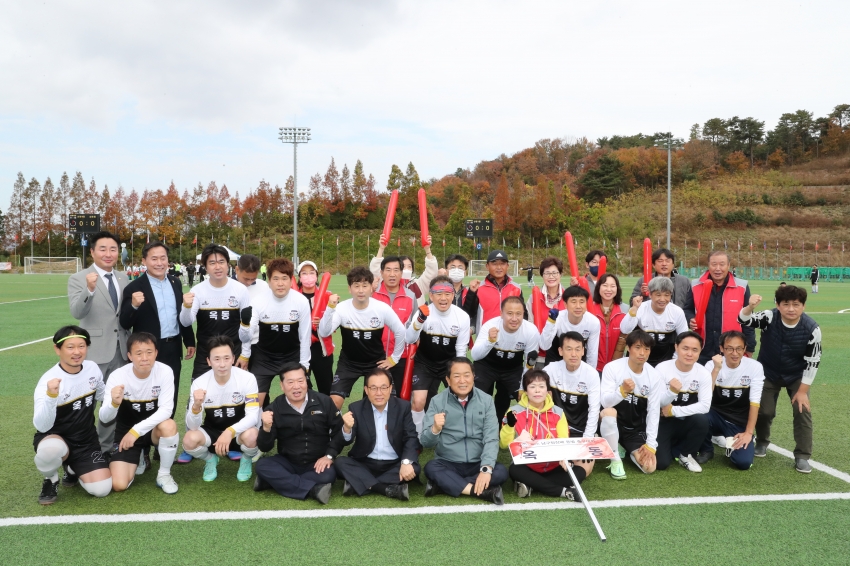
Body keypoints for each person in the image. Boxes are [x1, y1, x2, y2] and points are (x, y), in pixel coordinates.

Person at [739, 285, 822, 473]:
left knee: (802, 410)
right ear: (778, 305)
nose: (791, 309)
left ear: (803, 306)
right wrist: (750, 307)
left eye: (796, 304)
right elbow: (743, 320)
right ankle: (762, 442)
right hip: (768, 372)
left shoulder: (812, 329)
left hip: (796, 375)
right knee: (764, 411)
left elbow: (813, 362)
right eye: (786, 304)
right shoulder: (769, 316)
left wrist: (802, 391)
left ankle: (802, 456)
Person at [33, 326, 112, 505]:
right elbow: (42, 425)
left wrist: (114, 397)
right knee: (50, 452)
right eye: (70, 347)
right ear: (57, 349)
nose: (77, 352)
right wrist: (51, 397)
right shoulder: (48, 381)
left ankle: (71, 468)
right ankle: (51, 479)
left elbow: (102, 395)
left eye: (81, 346)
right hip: (55, 438)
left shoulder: (92, 368)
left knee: (102, 489)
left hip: (86, 440)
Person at [67, 230, 130, 453]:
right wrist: (89, 290)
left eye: (113, 249)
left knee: (113, 401)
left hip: (121, 351)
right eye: (102, 249)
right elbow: (77, 312)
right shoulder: (79, 278)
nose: (108, 253)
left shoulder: (123, 278)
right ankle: (80, 449)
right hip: (94, 352)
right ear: (92, 252)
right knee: (86, 403)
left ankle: (106, 447)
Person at [120, 241, 195, 421]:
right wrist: (133, 305)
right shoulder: (134, 287)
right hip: (147, 350)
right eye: (154, 259)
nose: (159, 263)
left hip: (172, 347)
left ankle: (165, 434)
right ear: (144, 261)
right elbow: (124, 322)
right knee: (147, 394)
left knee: (170, 393)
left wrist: (189, 340)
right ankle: (144, 435)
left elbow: (181, 314)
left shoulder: (175, 282)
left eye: (163, 258)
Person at [99, 332, 180, 494]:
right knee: (119, 485)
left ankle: (164, 474)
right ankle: (139, 455)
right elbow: (104, 418)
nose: (144, 358)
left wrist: (136, 431)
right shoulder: (117, 376)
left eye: (149, 352)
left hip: (152, 430)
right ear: (129, 356)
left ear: (156, 353)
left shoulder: (165, 371)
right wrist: (114, 404)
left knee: (169, 426)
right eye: (138, 353)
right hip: (126, 432)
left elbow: (166, 410)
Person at [421, 357, 509, 505]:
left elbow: (491, 438)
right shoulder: (437, 401)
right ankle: (478, 491)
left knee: (500, 471)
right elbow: (425, 442)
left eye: (467, 375)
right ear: (448, 380)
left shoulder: (486, 401)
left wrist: (486, 469)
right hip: (448, 462)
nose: (462, 381)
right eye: (456, 376)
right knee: (431, 468)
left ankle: (445, 485)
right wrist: (434, 429)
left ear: (473, 377)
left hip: (478, 462)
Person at [318, 267, 406, 410]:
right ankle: (339, 426)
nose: (360, 290)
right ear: (349, 288)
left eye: (365, 286)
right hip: (348, 363)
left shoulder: (381, 308)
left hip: (375, 363)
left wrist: (394, 358)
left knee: (386, 402)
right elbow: (324, 332)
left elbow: (400, 331)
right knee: (334, 403)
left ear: (371, 288)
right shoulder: (341, 308)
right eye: (356, 286)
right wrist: (330, 308)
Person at [254, 363, 343, 504]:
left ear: (306, 382)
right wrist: (266, 428)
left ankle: (272, 482)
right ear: (282, 385)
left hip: (317, 462)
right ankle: (313, 490)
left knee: (329, 475)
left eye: (300, 381)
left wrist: (329, 456)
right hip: (287, 461)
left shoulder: (324, 401)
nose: (296, 386)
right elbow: (265, 447)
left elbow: (340, 431)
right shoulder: (274, 408)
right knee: (262, 465)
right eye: (290, 382)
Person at [333, 368, 421, 501]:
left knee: (414, 468)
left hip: (394, 463)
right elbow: (346, 441)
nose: (379, 393)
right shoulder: (356, 408)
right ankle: (384, 488)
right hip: (365, 463)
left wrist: (406, 462)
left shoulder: (403, 407)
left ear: (390, 388)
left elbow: (411, 437)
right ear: (366, 390)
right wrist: (346, 428)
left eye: (383, 387)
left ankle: (359, 483)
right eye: (373, 388)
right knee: (340, 463)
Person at [181, 335, 260, 482]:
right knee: (189, 440)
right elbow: (193, 426)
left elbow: (253, 417)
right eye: (217, 359)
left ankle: (246, 459)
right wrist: (196, 406)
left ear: (233, 359)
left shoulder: (248, 378)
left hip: (239, 432)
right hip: (213, 432)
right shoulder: (199, 383)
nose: (222, 364)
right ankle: (210, 459)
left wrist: (230, 432)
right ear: (209, 361)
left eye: (226, 358)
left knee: (253, 436)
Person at [237, 258, 312, 408]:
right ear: (269, 281)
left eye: (284, 278)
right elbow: (246, 336)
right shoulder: (258, 301)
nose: (280, 283)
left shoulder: (301, 301)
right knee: (253, 403)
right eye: (276, 279)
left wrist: (304, 365)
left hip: (292, 356)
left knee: (301, 398)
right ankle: (256, 423)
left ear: (291, 280)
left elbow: (305, 337)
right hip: (264, 357)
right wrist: (244, 327)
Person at [500, 369, 583, 500]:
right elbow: (504, 445)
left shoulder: (558, 412)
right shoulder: (513, 412)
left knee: (579, 472)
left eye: (541, 386)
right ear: (526, 391)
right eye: (532, 386)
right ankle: (563, 491)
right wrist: (512, 432)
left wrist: (564, 458)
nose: (537, 391)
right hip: (526, 465)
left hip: (553, 466)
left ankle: (532, 485)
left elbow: (563, 441)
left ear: (547, 390)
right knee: (514, 470)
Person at [404, 276, 471, 432]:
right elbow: (409, 339)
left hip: (450, 364)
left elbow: (461, 349)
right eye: (438, 294)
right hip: (425, 363)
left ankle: (459, 433)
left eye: (447, 293)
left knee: (461, 399)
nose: (443, 298)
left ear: (453, 295)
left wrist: (460, 373)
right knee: (418, 402)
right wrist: (419, 321)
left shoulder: (462, 317)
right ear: (431, 295)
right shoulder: (423, 312)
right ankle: (418, 437)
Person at [180, 244, 252, 380]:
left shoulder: (241, 290)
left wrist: (245, 355)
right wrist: (186, 307)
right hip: (205, 354)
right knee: (199, 391)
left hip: (233, 353)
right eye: (212, 263)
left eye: (221, 262)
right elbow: (186, 322)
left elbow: (246, 330)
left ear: (228, 265)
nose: (217, 267)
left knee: (235, 392)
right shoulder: (197, 291)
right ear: (205, 267)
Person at [696, 330, 764, 470]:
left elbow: (755, 402)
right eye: (730, 348)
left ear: (745, 349)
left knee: (743, 463)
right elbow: (704, 396)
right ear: (721, 349)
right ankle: (706, 449)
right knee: (699, 414)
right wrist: (716, 369)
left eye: (739, 348)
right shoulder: (711, 365)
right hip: (714, 416)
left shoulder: (755, 367)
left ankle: (732, 443)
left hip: (738, 421)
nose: (735, 353)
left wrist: (748, 433)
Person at [599, 330, 664, 474]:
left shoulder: (654, 376)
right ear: (628, 348)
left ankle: (622, 445)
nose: (642, 353)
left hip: (633, 430)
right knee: (609, 412)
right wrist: (622, 391)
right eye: (638, 347)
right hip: (612, 421)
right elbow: (605, 402)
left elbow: (653, 411)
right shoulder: (612, 367)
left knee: (649, 468)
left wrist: (651, 445)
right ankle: (615, 459)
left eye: (646, 349)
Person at [471, 296, 540, 426]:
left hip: (512, 369)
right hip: (486, 366)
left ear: (523, 314)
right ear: (501, 314)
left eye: (518, 314)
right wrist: (490, 341)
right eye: (509, 313)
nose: (514, 318)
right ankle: (478, 427)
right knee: (478, 398)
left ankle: (499, 427)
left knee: (509, 401)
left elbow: (529, 363)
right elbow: (475, 356)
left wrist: (522, 387)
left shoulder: (531, 331)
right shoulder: (490, 325)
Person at [541, 332, 599, 481]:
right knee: (545, 461)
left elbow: (594, 409)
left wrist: (587, 439)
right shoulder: (550, 370)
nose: (574, 354)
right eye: (569, 349)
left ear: (583, 351)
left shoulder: (591, 374)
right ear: (560, 351)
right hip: (555, 430)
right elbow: (535, 397)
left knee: (583, 468)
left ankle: (542, 482)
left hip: (580, 431)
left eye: (578, 349)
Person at [654, 332, 712, 472]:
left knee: (702, 419)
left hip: (687, 419)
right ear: (676, 347)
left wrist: (674, 411)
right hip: (663, 421)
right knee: (661, 464)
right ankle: (672, 448)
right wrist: (672, 392)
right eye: (685, 348)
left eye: (695, 350)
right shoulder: (662, 368)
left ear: (700, 351)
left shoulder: (703, 373)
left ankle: (686, 455)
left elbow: (705, 406)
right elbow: (658, 402)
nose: (689, 354)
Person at [689, 251, 756, 365]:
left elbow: (748, 319)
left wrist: (750, 347)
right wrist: (690, 319)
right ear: (708, 265)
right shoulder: (695, 285)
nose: (717, 268)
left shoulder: (742, 286)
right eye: (714, 264)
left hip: (731, 350)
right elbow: (687, 309)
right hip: (702, 348)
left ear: (728, 266)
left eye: (722, 264)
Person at [372, 256, 417, 389]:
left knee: (401, 395)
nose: (392, 274)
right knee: (374, 392)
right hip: (376, 354)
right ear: (381, 273)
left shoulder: (410, 296)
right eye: (388, 270)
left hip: (402, 355)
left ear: (401, 273)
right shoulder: (372, 294)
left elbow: (415, 327)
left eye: (396, 270)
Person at [620, 277, 688, 366]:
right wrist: (634, 308)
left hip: (666, 359)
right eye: (658, 295)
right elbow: (625, 329)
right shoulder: (641, 308)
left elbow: (684, 338)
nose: (662, 299)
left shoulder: (677, 312)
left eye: (666, 295)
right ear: (650, 294)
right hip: (640, 357)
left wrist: (674, 360)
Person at [295, 261, 335, 395]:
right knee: (302, 387)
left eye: (311, 273)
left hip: (321, 349)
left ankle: (327, 408)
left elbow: (335, 324)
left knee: (326, 387)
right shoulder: (293, 296)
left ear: (317, 276)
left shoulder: (328, 296)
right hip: (299, 348)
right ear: (299, 277)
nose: (308, 276)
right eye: (304, 273)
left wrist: (323, 323)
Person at [539, 286, 600, 366]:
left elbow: (592, 353)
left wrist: (590, 371)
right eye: (573, 302)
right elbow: (544, 346)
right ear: (565, 304)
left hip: (578, 360)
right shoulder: (557, 318)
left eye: (582, 302)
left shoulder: (593, 322)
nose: (578, 306)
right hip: (555, 358)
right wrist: (551, 321)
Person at [371, 234, 438, 306]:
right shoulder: (389, 283)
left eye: (409, 266)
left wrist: (427, 249)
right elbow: (375, 269)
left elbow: (432, 272)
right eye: (403, 266)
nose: (406, 269)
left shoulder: (418, 284)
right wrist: (381, 248)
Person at [630, 248, 695, 321]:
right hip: (650, 322)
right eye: (660, 261)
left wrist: (689, 319)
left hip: (677, 322)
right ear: (653, 265)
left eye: (667, 261)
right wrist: (642, 294)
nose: (664, 264)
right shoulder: (644, 280)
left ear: (673, 264)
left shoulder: (684, 281)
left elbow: (690, 306)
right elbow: (632, 303)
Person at [588, 273, 628, 373]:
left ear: (617, 289)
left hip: (616, 368)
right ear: (598, 288)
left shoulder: (625, 310)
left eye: (612, 286)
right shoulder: (589, 310)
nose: (608, 289)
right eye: (605, 285)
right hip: (593, 368)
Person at [475, 249, 525, 329]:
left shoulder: (516, 287)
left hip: (510, 334)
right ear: (487, 266)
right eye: (494, 264)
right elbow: (470, 314)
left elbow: (523, 313)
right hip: (486, 334)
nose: (499, 267)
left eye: (502, 264)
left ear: (507, 266)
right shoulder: (478, 288)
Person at [526, 256, 566, 332]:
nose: (551, 276)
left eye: (554, 273)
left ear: (560, 274)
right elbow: (529, 325)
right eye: (547, 273)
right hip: (539, 338)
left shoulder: (568, 297)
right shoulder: (533, 298)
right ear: (542, 275)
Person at [445, 254, 480, 331]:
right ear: (446, 271)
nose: (456, 270)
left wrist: (471, 330)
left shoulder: (470, 292)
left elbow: (475, 314)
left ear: (465, 272)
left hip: (465, 335)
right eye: (453, 267)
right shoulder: (439, 292)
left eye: (460, 268)